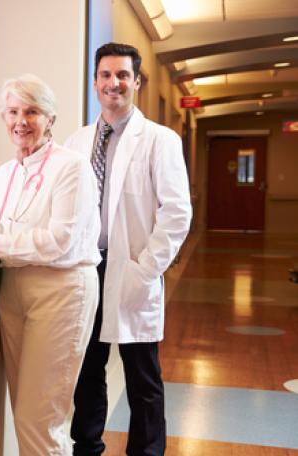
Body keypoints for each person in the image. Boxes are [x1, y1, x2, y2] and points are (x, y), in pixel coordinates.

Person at [0, 74, 101, 455]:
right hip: (13, 290)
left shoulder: (72, 167)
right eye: (13, 112)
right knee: (23, 414)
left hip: (60, 291)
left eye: (32, 111)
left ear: (50, 118)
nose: (21, 121)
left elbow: (58, 241)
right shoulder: (7, 172)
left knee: (40, 418)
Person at [65, 43, 192, 456]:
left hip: (132, 268)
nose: (113, 83)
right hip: (86, 269)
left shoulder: (160, 140)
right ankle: (86, 447)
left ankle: (147, 452)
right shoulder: (77, 140)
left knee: (143, 375)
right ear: (95, 82)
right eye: (105, 75)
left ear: (136, 81)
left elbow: (176, 214)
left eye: (122, 75)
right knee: (87, 371)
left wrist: (145, 268)